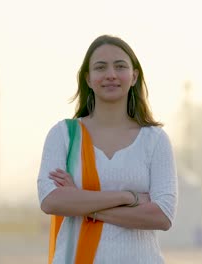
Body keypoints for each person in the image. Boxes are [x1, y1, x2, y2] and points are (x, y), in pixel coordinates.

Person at [37, 35, 177, 263]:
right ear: (88, 79)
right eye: (100, 67)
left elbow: (162, 216)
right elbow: (51, 201)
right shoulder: (63, 135)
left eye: (120, 66)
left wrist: (81, 203)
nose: (110, 74)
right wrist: (128, 196)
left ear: (134, 76)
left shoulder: (155, 140)